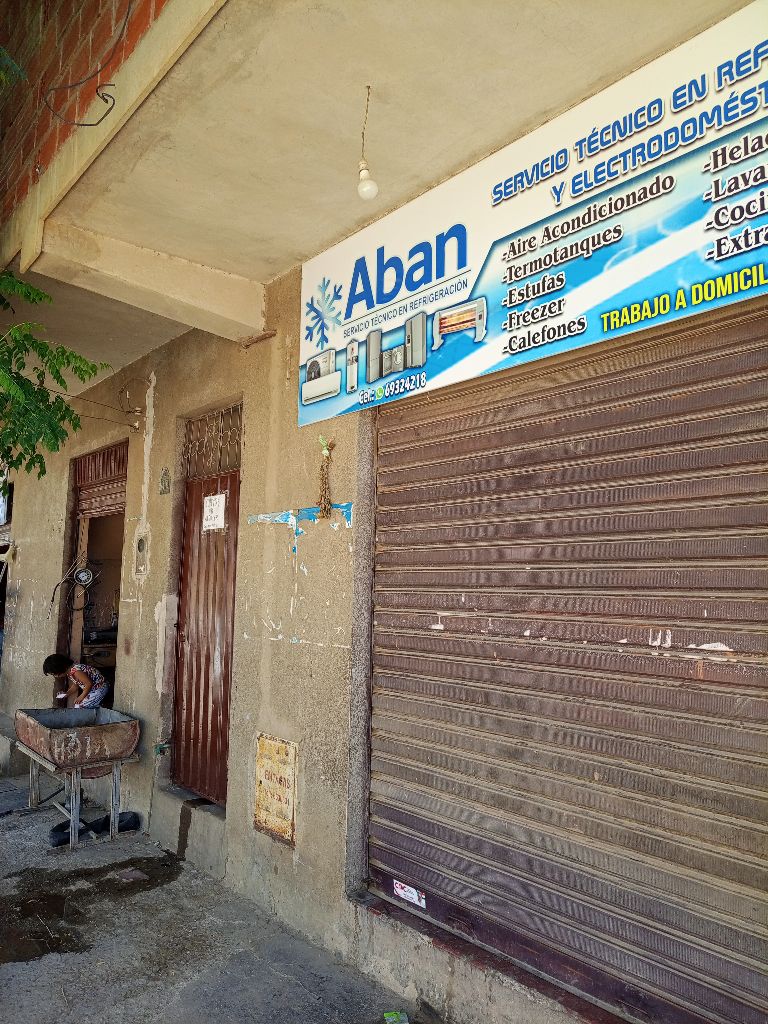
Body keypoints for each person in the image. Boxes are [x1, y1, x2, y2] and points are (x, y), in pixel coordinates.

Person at [43, 654, 110, 709]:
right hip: (93, 689)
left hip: (100, 687)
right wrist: (67, 693)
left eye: (53, 674)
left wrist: (81, 697)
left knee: (80, 706)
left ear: (59, 669)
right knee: (78, 705)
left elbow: (89, 684)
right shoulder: (70, 673)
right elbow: (76, 686)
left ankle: (101, 708)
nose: (55, 676)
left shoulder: (76, 671)